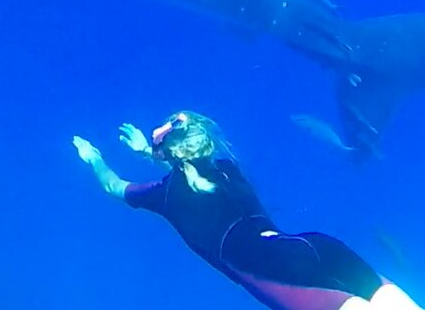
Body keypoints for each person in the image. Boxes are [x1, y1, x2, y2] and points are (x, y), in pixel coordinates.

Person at [72, 112, 421, 310]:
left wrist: (94, 158)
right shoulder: (227, 169)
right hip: (316, 247)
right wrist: (151, 151)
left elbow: (113, 186)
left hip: (272, 269)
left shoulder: (165, 196)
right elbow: (190, 165)